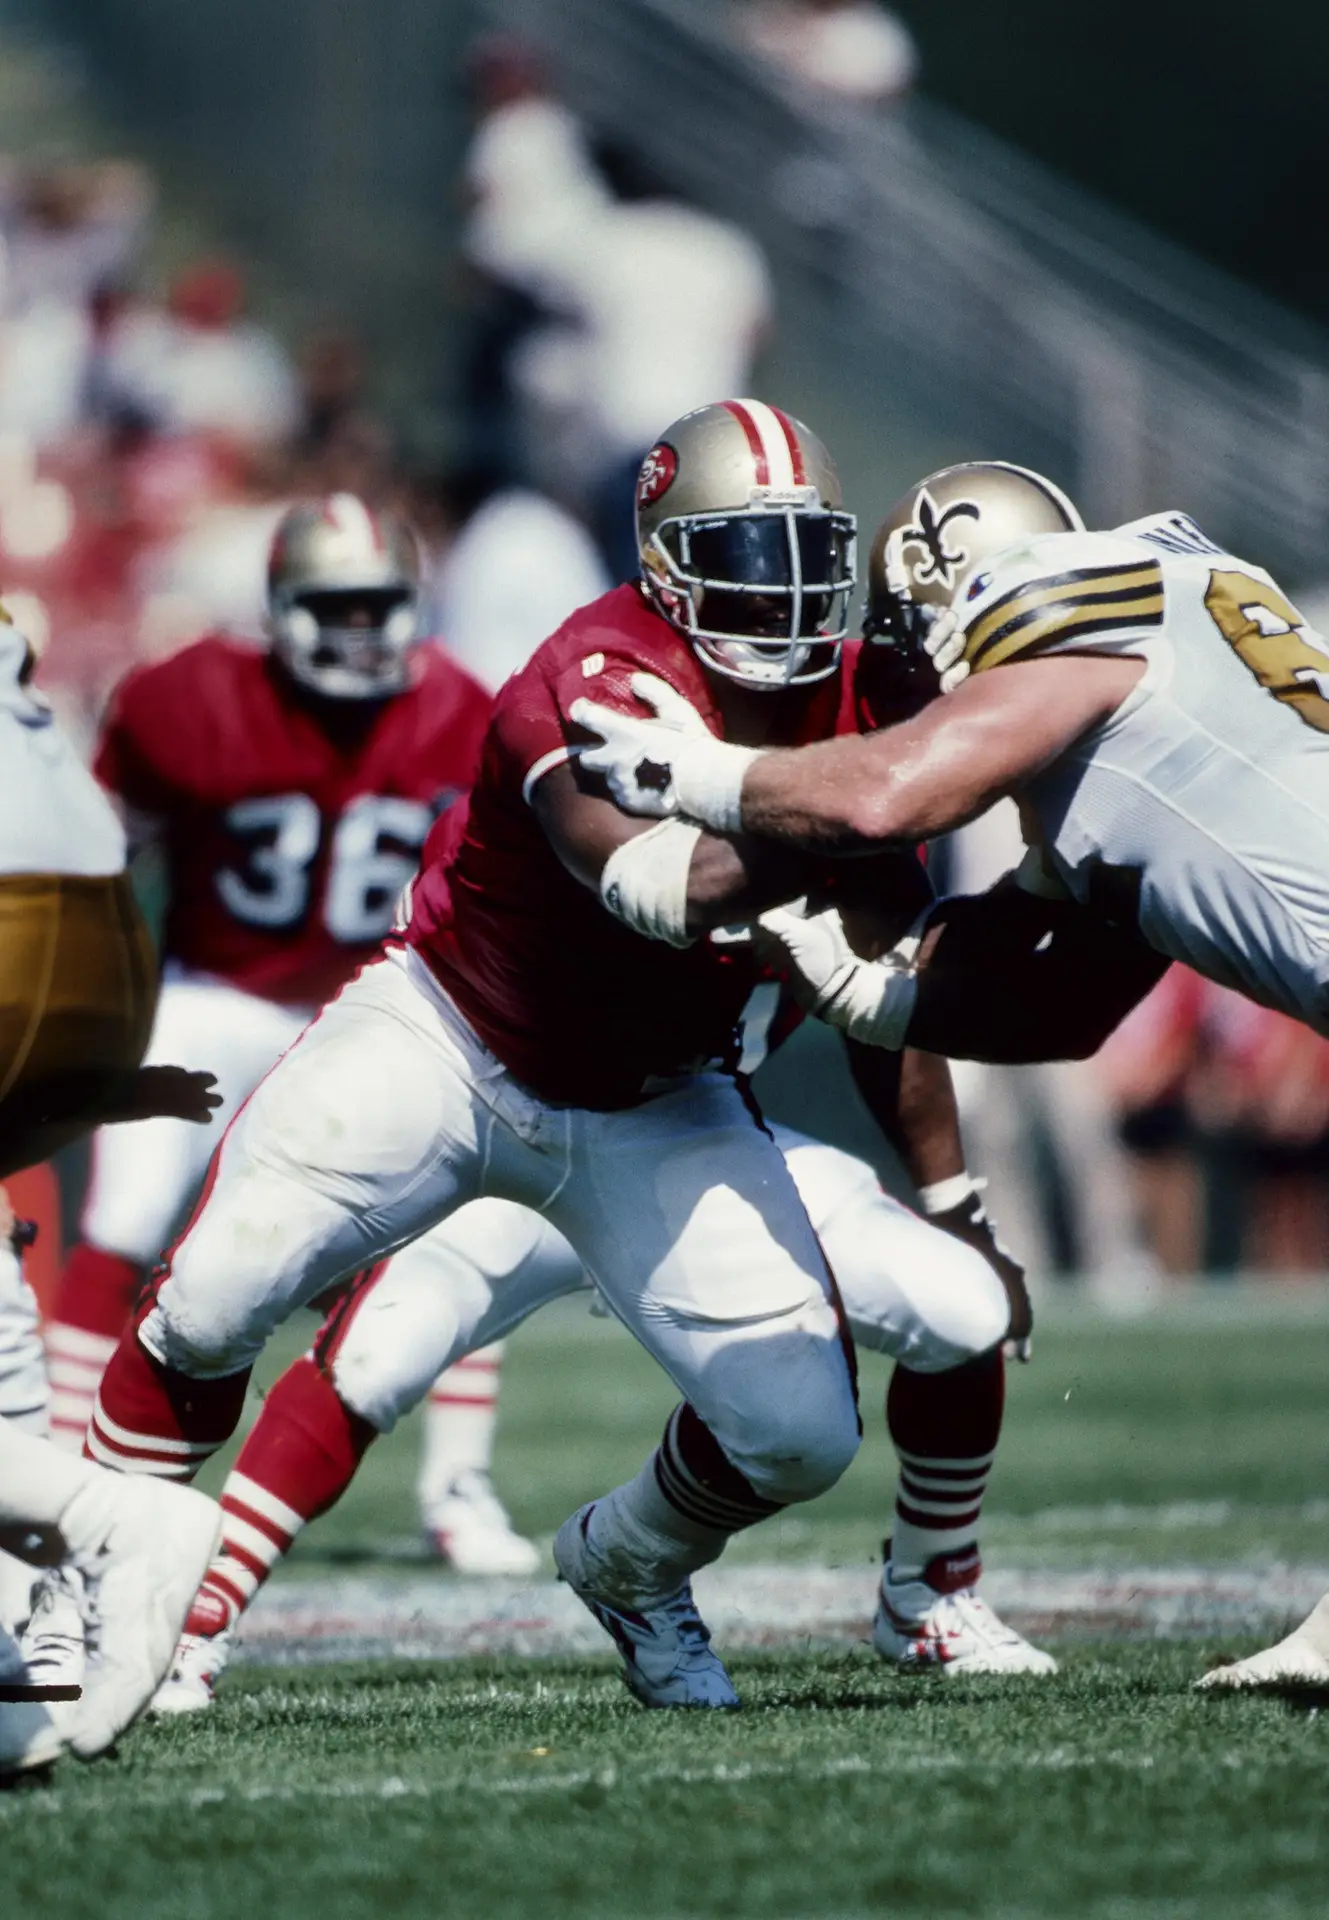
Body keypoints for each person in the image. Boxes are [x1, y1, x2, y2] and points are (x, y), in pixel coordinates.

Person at [85, 402, 1039, 1710]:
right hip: (454, 1040)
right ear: (663, 562)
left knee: (802, 1437)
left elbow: (891, 998)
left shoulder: (871, 695)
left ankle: (632, 1565)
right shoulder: (594, 664)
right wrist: (847, 802)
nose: (785, 591)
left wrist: (951, 1199)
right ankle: (96, 1594)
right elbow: (653, 884)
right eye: (744, 556)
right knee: (210, 1301)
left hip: (665, 1101)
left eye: (804, 551)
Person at [569, 457, 1329, 1689]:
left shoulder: (1059, 621)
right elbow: (1074, 1000)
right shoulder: (1176, 645)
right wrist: (883, 994)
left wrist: (702, 778)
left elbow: (881, 798)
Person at [42, 492, 538, 1577]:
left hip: (374, 1004)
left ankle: (459, 1488)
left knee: (450, 1232)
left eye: (381, 604)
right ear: (278, 610)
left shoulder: (462, 707)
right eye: (337, 605)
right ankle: (58, 1472)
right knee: (125, 1214)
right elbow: (99, 854)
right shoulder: (182, 698)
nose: (362, 629)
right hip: (216, 996)